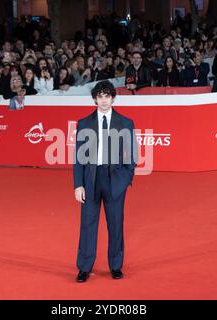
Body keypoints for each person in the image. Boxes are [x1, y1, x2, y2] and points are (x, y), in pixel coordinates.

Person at [73, 80, 137, 283]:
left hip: (115, 181)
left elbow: (132, 154)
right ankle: (84, 267)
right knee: (87, 225)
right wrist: (78, 185)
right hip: (90, 180)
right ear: (94, 99)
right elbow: (78, 158)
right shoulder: (84, 123)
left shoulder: (125, 122)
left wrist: (126, 178)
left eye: (107, 96)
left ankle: (116, 266)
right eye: (100, 96)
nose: (103, 100)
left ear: (113, 98)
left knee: (115, 224)